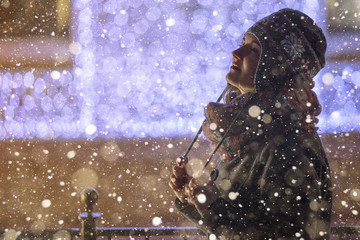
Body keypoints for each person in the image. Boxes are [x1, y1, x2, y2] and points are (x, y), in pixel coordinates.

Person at [169, 8, 332, 240]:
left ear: (275, 69)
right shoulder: (250, 132)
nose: (236, 52)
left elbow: (288, 235)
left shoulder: (286, 142)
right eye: (243, 42)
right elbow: (239, 223)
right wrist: (194, 199)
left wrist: (213, 207)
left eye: (254, 49)